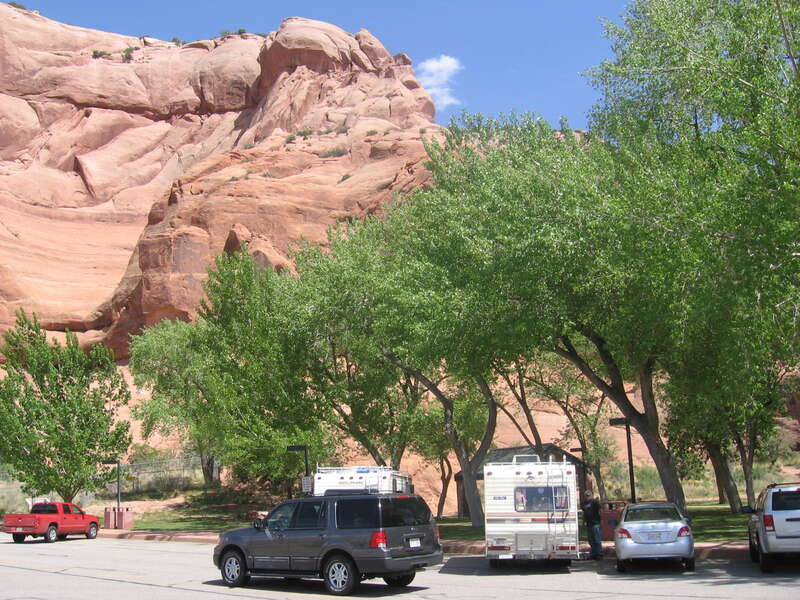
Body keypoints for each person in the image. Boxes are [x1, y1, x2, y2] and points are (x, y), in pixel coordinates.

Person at [582, 490, 602, 560]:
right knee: (591, 540)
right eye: (586, 495)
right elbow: (584, 513)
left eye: (589, 495)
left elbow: (600, 511)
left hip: (595, 523)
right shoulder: (584, 504)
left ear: (591, 495)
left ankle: (599, 554)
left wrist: (600, 520)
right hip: (589, 524)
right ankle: (593, 554)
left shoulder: (595, 502)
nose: (588, 497)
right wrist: (584, 522)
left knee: (597, 539)